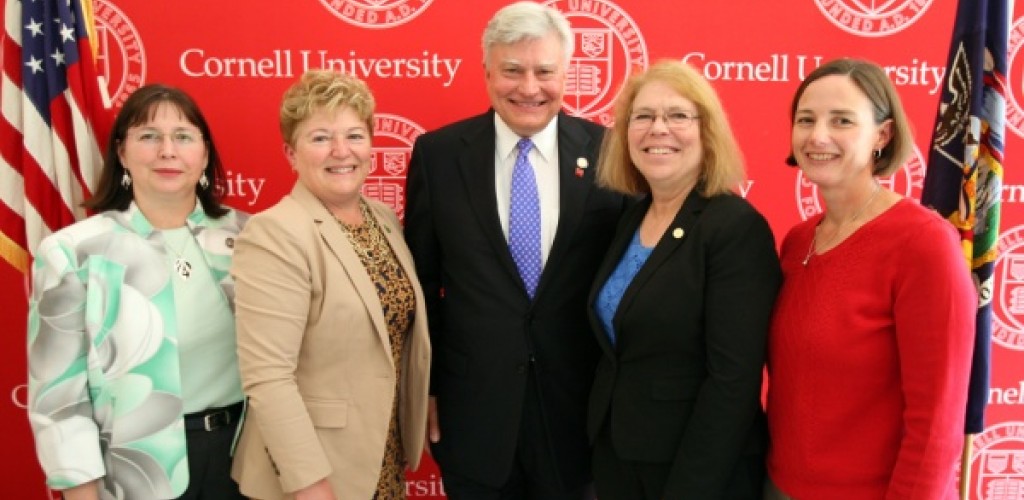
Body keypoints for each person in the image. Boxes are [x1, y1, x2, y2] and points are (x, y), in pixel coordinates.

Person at [403, 2, 625, 498]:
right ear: (486, 72)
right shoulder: (438, 157)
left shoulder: (612, 154)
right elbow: (422, 283)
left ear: (567, 72)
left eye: (544, 71)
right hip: (472, 417)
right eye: (512, 70)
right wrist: (427, 388)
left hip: (579, 420)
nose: (529, 88)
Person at [765, 58, 976, 499]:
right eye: (806, 119)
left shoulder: (923, 244)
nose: (818, 135)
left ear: (882, 134)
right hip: (778, 487)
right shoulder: (798, 241)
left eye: (841, 120)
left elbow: (936, 423)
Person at [27, 84, 248, 499]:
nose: (168, 150)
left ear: (204, 154)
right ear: (123, 153)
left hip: (248, 461)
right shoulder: (73, 253)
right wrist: (80, 490)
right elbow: (58, 398)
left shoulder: (251, 237)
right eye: (148, 136)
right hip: (138, 473)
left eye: (183, 136)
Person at [229, 70, 431, 500]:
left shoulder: (385, 220)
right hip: (314, 474)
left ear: (371, 148)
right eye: (320, 138)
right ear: (291, 153)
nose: (341, 151)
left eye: (354, 135)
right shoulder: (275, 233)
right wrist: (308, 484)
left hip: (379, 458)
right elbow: (268, 378)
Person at [586, 60, 781, 499]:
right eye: (644, 116)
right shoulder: (632, 217)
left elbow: (732, 381)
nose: (659, 129)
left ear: (706, 132)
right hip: (619, 459)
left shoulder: (734, 227)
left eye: (677, 115)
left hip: (695, 473)